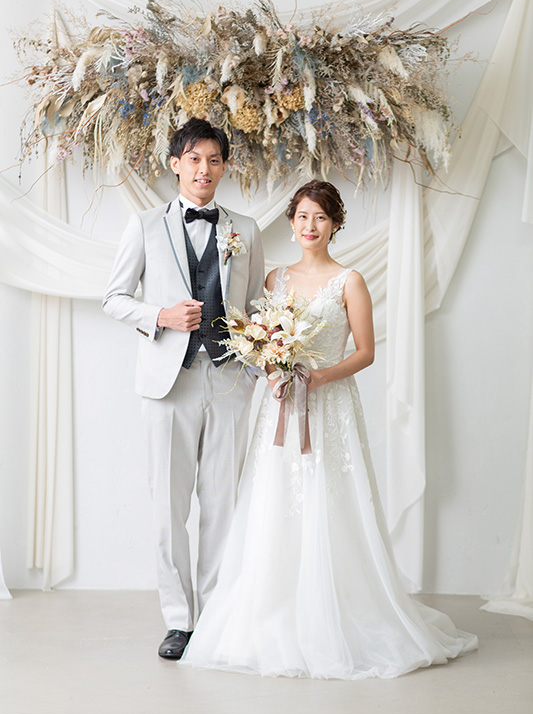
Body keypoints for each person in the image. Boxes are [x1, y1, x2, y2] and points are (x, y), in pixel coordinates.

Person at [182, 179, 477, 679]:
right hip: (280, 407)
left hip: (330, 403)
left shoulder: (349, 281)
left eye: (320, 217)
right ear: (291, 222)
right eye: (302, 216)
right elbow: (261, 339)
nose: (310, 226)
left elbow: (366, 351)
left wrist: (319, 377)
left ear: (335, 224)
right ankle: (275, 606)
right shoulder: (274, 278)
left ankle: (337, 612)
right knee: (274, 497)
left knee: (332, 498)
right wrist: (273, 368)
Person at [103, 118, 265, 659]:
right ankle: (179, 621)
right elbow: (114, 298)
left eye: (214, 160)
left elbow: (256, 307)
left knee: (222, 503)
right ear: (175, 164)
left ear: (224, 166)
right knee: (168, 510)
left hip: (229, 380)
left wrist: (261, 363)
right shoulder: (145, 224)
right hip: (167, 383)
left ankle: (216, 616)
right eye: (194, 159)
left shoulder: (246, 228)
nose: (204, 169)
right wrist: (161, 316)